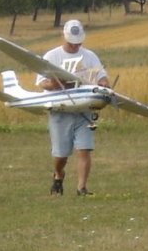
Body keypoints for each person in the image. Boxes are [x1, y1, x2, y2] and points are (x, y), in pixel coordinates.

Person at [35, 19, 110, 197]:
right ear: (64, 37)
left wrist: (104, 84)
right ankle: (58, 175)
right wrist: (54, 84)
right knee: (61, 155)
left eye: (78, 43)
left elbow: (102, 77)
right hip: (60, 111)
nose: (75, 46)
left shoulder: (90, 56)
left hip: (84, 111)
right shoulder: (52, 56)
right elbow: (42, 83)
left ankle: (81, 188)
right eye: (71, 42)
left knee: (84, 149)